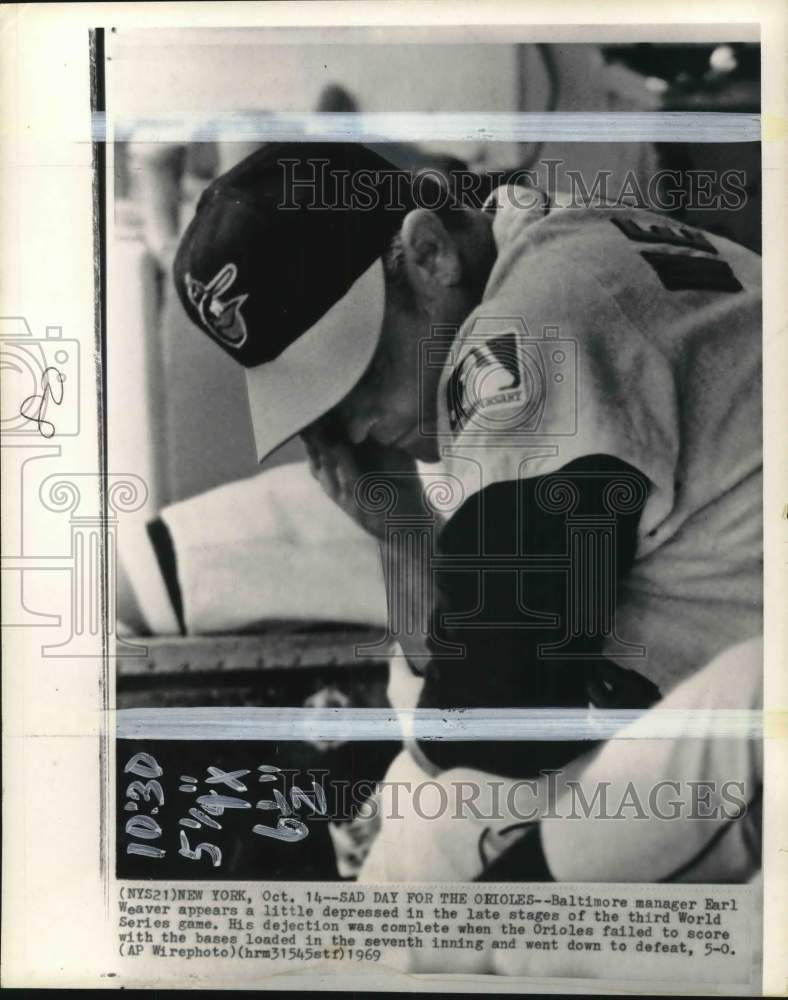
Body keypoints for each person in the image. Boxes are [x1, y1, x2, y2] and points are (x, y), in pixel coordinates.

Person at [173, 142, 762, 880]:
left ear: (427, 255)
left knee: (432, 887)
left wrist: (408, 536)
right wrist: (401, 532)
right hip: (731, 688)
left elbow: (495, 728)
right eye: (319, 405)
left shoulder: (534, 334)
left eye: (360, 373)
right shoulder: (553, 253)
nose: (351, 428)